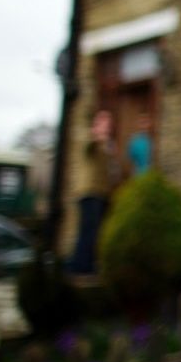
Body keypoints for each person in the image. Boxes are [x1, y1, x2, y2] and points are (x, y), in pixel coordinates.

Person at [71, 109, 115, 274]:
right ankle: (81, 268)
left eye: (109, 123)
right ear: (96, 123)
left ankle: (87, 266)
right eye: (104, 122)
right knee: (88, 232)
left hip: (101, 194)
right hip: (89, 193)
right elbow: (89, 147)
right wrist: (97, 136)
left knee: (95, 233)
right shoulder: (90, 139)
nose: (108, 126)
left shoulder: (107, 145)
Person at [127, 111, 153, 176]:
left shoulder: (151, 140)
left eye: (146, 122)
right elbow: (130, 160)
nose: (144, 125)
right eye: (142, 122)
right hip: (137, 174)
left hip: (150, 174)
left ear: (149, 123)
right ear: (138, 124)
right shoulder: (134, 140)